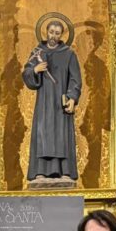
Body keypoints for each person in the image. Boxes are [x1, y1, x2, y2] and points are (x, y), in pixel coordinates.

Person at [22, 18, 82, 183]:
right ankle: (41, 171)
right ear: (46, 32)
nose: (53, 36)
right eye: (51, 32)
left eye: (57, 33)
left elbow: (75, 79)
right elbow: (27, 73)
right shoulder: (38, 53)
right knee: (43, 135)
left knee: (61, 135)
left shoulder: (68, 54)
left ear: (61, 35)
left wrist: (72, 98)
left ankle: (65, 171)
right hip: (44, 103)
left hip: (61, 103)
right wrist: (35, 69)